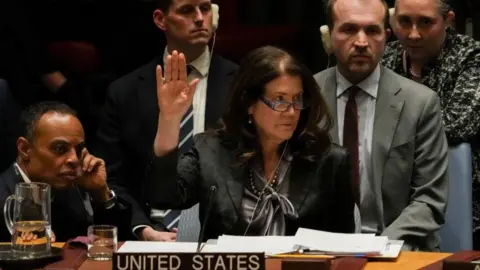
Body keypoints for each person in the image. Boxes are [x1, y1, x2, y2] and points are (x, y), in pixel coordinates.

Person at [145, 46, 355, 240]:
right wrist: (169, 119)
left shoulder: (329, 160)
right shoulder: (211, 150)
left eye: (297, 99)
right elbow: (164, 197)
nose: (291, 112)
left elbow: (344, 247)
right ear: (249, 104)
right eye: (280, 99)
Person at [94, 0, 238, 241]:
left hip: (220, 235)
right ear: (160, 19)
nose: (200, 18)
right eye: (186, 10)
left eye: (205, 8)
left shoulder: (241, 85)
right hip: (150, 230)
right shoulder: (125, 92)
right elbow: (112, 178)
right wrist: (142, 229)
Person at [315, 0, 448, 251]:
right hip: (323, 247)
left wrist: (379, 248)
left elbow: (429, 200)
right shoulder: (307, 96)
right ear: (329, 36)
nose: (362, 42)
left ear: (386, 37)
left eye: (372, 31)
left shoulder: (420, 103)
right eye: (349, 29)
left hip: (396, 245)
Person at [381, 0, 480, 247]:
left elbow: (459, 124)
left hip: (463, 198)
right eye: (404, 22)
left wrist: (392, 136)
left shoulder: (470, 57)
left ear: (448, 21)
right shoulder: (385, 57)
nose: (413, 34)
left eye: (426, 22)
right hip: (389, 201)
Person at [0, 102, 131, 242]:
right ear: (25, 149)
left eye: (79, 149)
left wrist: (101, 192)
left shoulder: (73, 188)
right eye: (59, 148)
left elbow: (117, 248)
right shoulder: (3, 197)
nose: (74, 160)